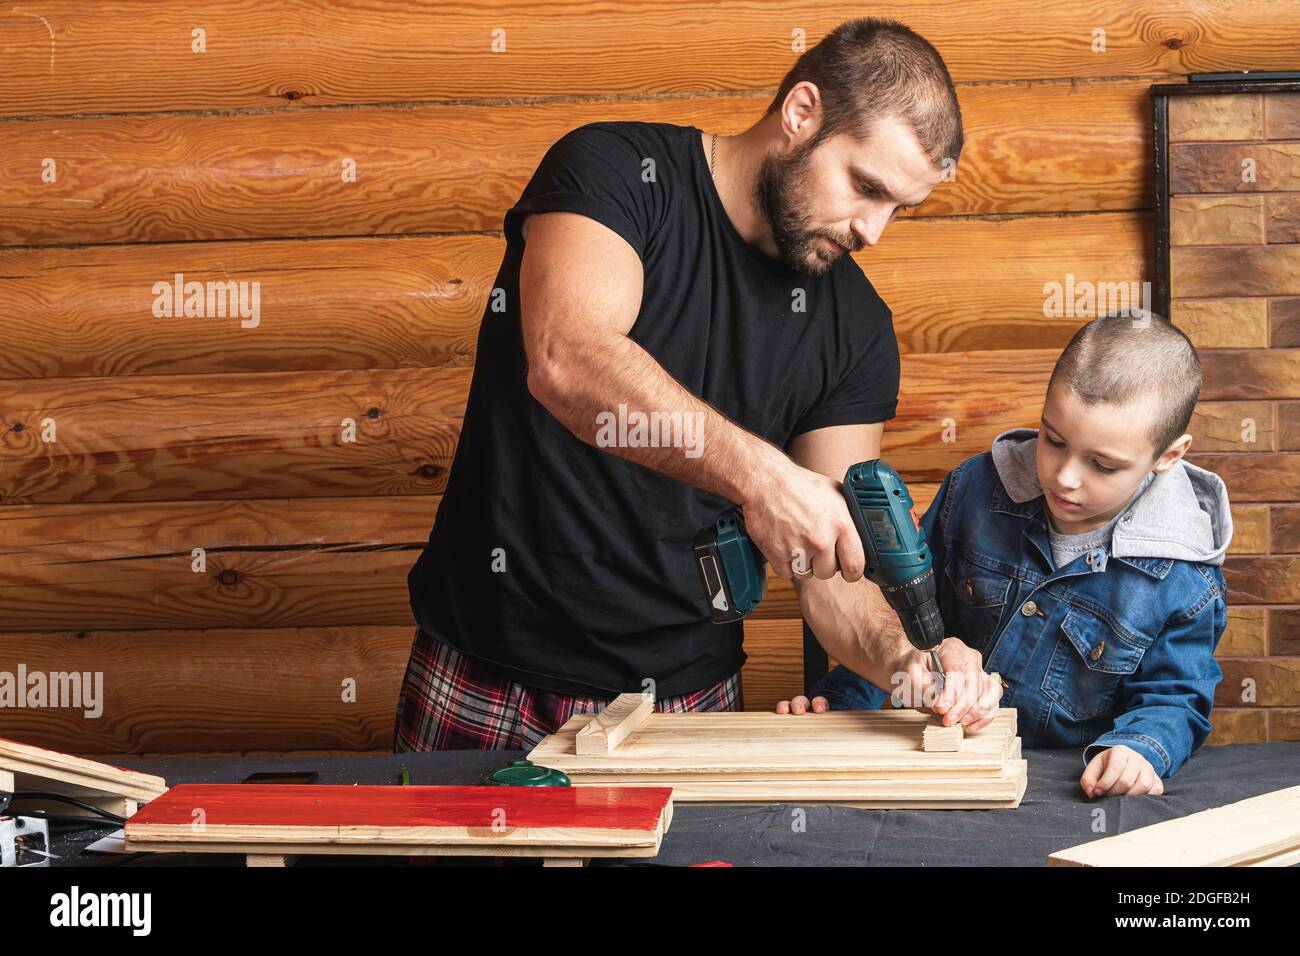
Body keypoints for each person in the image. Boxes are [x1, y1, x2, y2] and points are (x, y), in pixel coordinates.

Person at [395, 18, 1005, 752]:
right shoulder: (616, 170)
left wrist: (907, 661)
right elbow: (570, 356)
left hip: (687, 701)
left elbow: (831, 565)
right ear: (801, 113)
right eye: (866, 187)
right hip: (488, 674)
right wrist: (763, 479)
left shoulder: (857, 330)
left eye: (898, 208)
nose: (873, 229)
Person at [777, 315, 1233, 798]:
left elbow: (1174, 699)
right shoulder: (973, 491)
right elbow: (898, 618)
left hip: (1065, 791)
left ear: (1168, 453)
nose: (1065, 477)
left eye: (1102, 464)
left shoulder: (1184, 577)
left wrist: (1139, 750)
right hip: (939, 770)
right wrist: (846, 707)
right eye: (1053, 440)